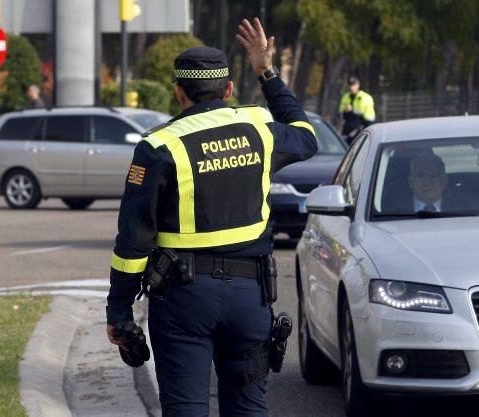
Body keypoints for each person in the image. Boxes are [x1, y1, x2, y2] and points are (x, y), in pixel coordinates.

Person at [106, 18, 318, 416]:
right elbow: (306, 135)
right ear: (228, 89)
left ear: (178, 91)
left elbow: (133, 239)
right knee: (248, 409)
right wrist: (266, 71)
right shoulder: (259, 127)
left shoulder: (159, 146)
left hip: (183, 300)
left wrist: (118, 310)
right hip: (249, 297)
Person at [389, 152, 468, 212]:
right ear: (411, 182)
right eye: (421, 176)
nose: (427, 182)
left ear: (444, 182)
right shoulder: (391, 209)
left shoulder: (462, 208)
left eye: (433, 176)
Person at [338, 76, 375, 144]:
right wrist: (346, 112)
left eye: (354, 84)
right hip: (348, 131)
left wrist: (352, 111)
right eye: (350, 85)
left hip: (361, 130)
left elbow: (369, 120)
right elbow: (341, 115)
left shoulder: (366, 98)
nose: (352, 87)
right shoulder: (345, 97)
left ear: (358, 85)